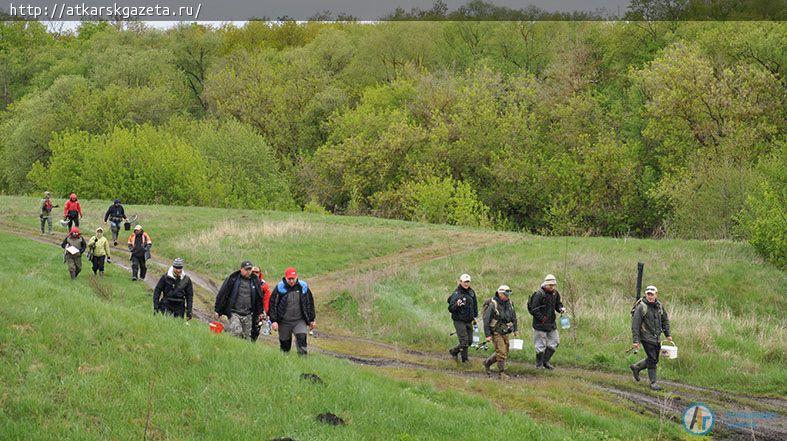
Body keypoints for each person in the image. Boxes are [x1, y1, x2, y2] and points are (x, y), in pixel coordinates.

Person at [630, 285, 673, 391]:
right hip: (645, 337)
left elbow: (665, 320)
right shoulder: (641, 307)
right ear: (645, 294)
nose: (650, 296)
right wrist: (636, 340)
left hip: (656, 337)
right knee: (653, 359)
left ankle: (637, 367)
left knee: (654, 359)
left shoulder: (659, 306)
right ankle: (653, 383)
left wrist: (667, 334)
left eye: (652, 294)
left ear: (656, 295)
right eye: (648, 294)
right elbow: (635, 325)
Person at [268, 267, 316, 355]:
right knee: (285, 348)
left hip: (299, 321)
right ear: (285, 278)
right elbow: (272, 304)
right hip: (284, 322)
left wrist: (312, 319)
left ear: (296, 277)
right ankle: (285, 361)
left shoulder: (303, 287)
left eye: (293, 279)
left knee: (302, 342)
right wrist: (274, 321)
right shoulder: (280, 288)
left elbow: (309, 303)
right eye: (289, 279)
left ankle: (303, 361)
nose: (291, 281)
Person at [214, 261, 264, 340]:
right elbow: (222, 294)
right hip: (234, 312)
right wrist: (218, 310)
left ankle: (227, 331)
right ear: (241, 269)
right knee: (236, 332)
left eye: (250, 269)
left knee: (247, 338)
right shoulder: (232, 279)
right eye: (246, 269)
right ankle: (228, 337)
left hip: (248, 314)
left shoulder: (255, 281)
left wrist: (260, 312)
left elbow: (259, 298)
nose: (248, 271)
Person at [527, 274, 566, 370]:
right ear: (545, 284)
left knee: (555, 342)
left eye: (554, 285)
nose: (552, 287)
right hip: (539, 324)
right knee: (540, 345)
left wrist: (560, 309)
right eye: (550, 285)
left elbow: (558, 304)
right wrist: (542, 319)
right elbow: (534, 309)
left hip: (551, 323)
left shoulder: (555, 293)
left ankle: (545, 361)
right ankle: (539, 364)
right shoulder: (539, 294)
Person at [482, 285, 518, 379]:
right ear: (500, 293)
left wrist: (515, 329)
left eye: (508, 294)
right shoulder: (493, 304)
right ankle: (501, 373)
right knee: (501, 352)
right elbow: (486, 320)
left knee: (504, 351)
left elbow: (514, 317)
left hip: (505, 331)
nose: (507, 296)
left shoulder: (510, 303)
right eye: (505, 294)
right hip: (495, 332)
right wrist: (488, 335)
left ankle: (487, 363)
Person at [447, 273, 478, 363]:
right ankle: (465, 360)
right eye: (465, 282)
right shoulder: (456, 294)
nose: (466, 284)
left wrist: (475, 316)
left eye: (468, 282)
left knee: (470, 341)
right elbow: (450, 308)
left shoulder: (471, 292)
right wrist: (456, 304)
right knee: (464, 341)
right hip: (459, 320)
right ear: (460, 282)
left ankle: (454, 351)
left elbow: (475, 305)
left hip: (469, 320)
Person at [249, 266, 273, 342]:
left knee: (255, 331)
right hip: (246, 309)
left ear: (260, 273)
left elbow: (267, 300)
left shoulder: (263, 285)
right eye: (253, 272)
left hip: (258, 310)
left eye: (256, 272)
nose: (254, 274)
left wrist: (267, 312)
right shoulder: (245, 281)